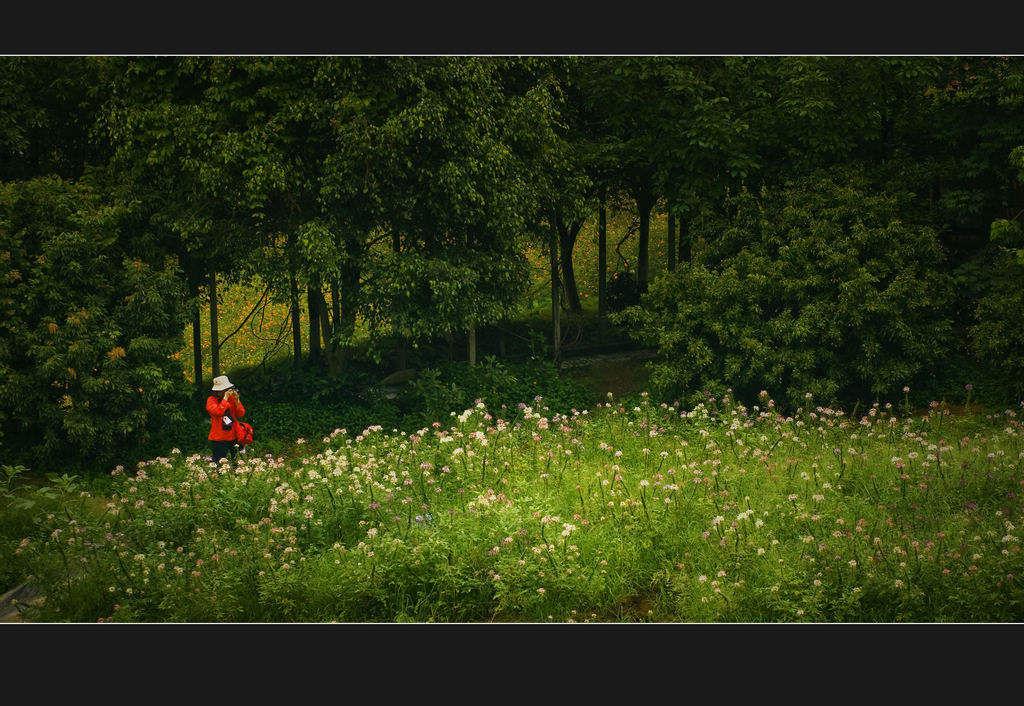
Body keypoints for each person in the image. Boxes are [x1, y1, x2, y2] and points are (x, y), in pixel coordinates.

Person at [206, 375, 246, 463]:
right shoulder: (211, 400)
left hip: (234, 434)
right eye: (224, 389)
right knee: (219, 462)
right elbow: (218, 412)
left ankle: (239, 476)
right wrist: (225, 398)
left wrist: (237, 399)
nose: (227, 391)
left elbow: (240, 413)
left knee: (238, 462)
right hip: (219, 437)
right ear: (217, 390)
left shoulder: (232, 399)